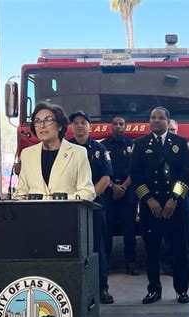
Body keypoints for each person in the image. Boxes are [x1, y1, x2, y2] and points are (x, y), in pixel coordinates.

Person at [130, 107, 189, 304]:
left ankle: (181, 290)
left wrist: (174, 199)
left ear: (168, 121)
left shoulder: (180, 143)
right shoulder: (140, 145)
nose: (156, 121)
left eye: (160, 118)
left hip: (175, 206)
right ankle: (154, 289)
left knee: (180, 250)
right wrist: (149, 199)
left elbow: (186, 174)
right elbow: (136, 176)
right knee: (152, 250)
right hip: (152, 207)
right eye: (152, 118)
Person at [69, 111, 114, 304]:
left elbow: (106, 177)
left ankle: (101, 287)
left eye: (83, 123)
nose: (79, 126)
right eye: (76, 123)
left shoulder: (99, 149)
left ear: (90, 127)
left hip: (94, 205)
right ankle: (73, 288)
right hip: (69, 207)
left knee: (97, 246)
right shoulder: (65, 149)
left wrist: (87, 198)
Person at [16, 102, 95, 201]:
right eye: (37, 121)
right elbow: (21, 191)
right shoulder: (27, 154)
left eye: (48, 120)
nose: (42, 125)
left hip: (67, 213)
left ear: (60, 126)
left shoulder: (78, 153)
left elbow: (88, 192)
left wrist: (61, 199)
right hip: (35, 214)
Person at [101, 117, 139, 276]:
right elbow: (101, 170)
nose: (118, 127)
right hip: (108, 191)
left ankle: (131, 263)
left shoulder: (133, 145)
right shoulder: (103, 146)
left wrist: (122, 187)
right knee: (106, 228)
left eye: (121, 124)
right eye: (115, 124)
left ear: (126, 127)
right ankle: (106, 263)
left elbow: (135, 170)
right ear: (111, 126)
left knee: (129, 228)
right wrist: (113, 186)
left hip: (127, 191)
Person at [159, 119, 189, 276]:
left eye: (174, 130)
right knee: (165, 233)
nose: (172, 133)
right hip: (160, 198)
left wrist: (174, 197)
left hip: (181, 197)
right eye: (170, 130)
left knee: (182, 234)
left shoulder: (183, 147)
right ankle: (166, 262)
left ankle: (180, 265)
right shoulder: (153, 147)